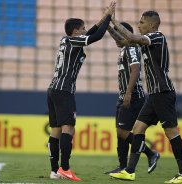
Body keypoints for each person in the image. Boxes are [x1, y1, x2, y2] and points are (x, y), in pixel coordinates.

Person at [109, 11, 182, 183]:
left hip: (163, 93)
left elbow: (132, 37)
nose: (139, 25)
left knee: (171, 132)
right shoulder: (145, 42)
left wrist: (114, 20)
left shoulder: (157, 37)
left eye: (142, 22)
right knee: (138, 129)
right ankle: (129, 171)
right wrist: (107, 25)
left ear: (152, 25)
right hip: (153, 95)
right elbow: (123, 41)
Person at [47, 1, 116, 181]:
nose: (85, 30)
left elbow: (92, 31)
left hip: (53, 89)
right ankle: (65, 168)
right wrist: (109, 17)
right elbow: (96, 36)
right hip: (64, 90)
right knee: (68, 128)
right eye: (82, 28)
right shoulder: (75, 41)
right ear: (76, 31)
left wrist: (103, 17)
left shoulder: (65, 39)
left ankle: (55, 171)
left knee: (55, 131)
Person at [104, 22, 159, 175]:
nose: (116, 38)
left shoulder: (132, 47)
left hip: (133, 95)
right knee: (120, 133)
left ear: (125, 34)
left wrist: (128, 93)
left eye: (118, 34)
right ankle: (122, 167)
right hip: (123, 96)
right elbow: (117, 38)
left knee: (123, 132)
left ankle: (150, 153)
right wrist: (107, 26)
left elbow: (135, 70)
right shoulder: (124, 48)